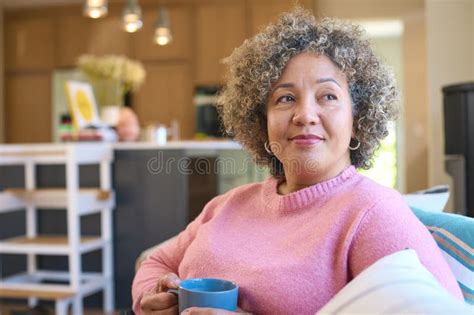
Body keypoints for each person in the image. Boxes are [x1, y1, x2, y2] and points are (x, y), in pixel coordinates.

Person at [132, 8, 463, 315]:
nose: (305, 115)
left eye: (328, 97)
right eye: (285, 98)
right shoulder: (227, 205)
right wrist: (151, 298)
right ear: (261, 122)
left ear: (357, 120)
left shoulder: (373, 213)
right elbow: (155, 262)